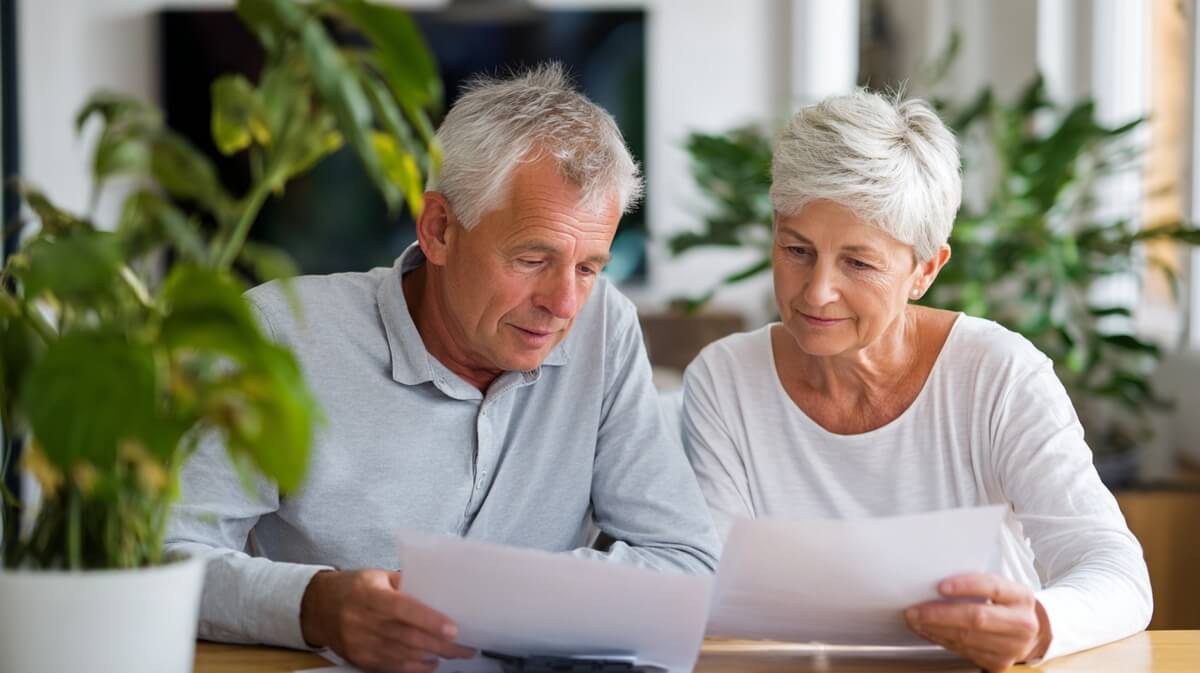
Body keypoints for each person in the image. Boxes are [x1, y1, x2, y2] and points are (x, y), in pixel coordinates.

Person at [166, 64, 719, 673]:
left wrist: (496, 593)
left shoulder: (604, 327)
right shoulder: (278, 334)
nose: (564, 305)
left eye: (589, 268)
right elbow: (167, 558)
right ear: (438, 230)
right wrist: (316, 605)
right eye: (533, 258)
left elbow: (685, 563)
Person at [681, 89, 1152, 672]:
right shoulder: (725, 380)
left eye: (858, 263)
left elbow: (1114, 569)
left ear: (925, 270)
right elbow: (714, 582)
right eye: (796, 249)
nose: (817, 291)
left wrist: (1037, 627)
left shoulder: (998, 373)